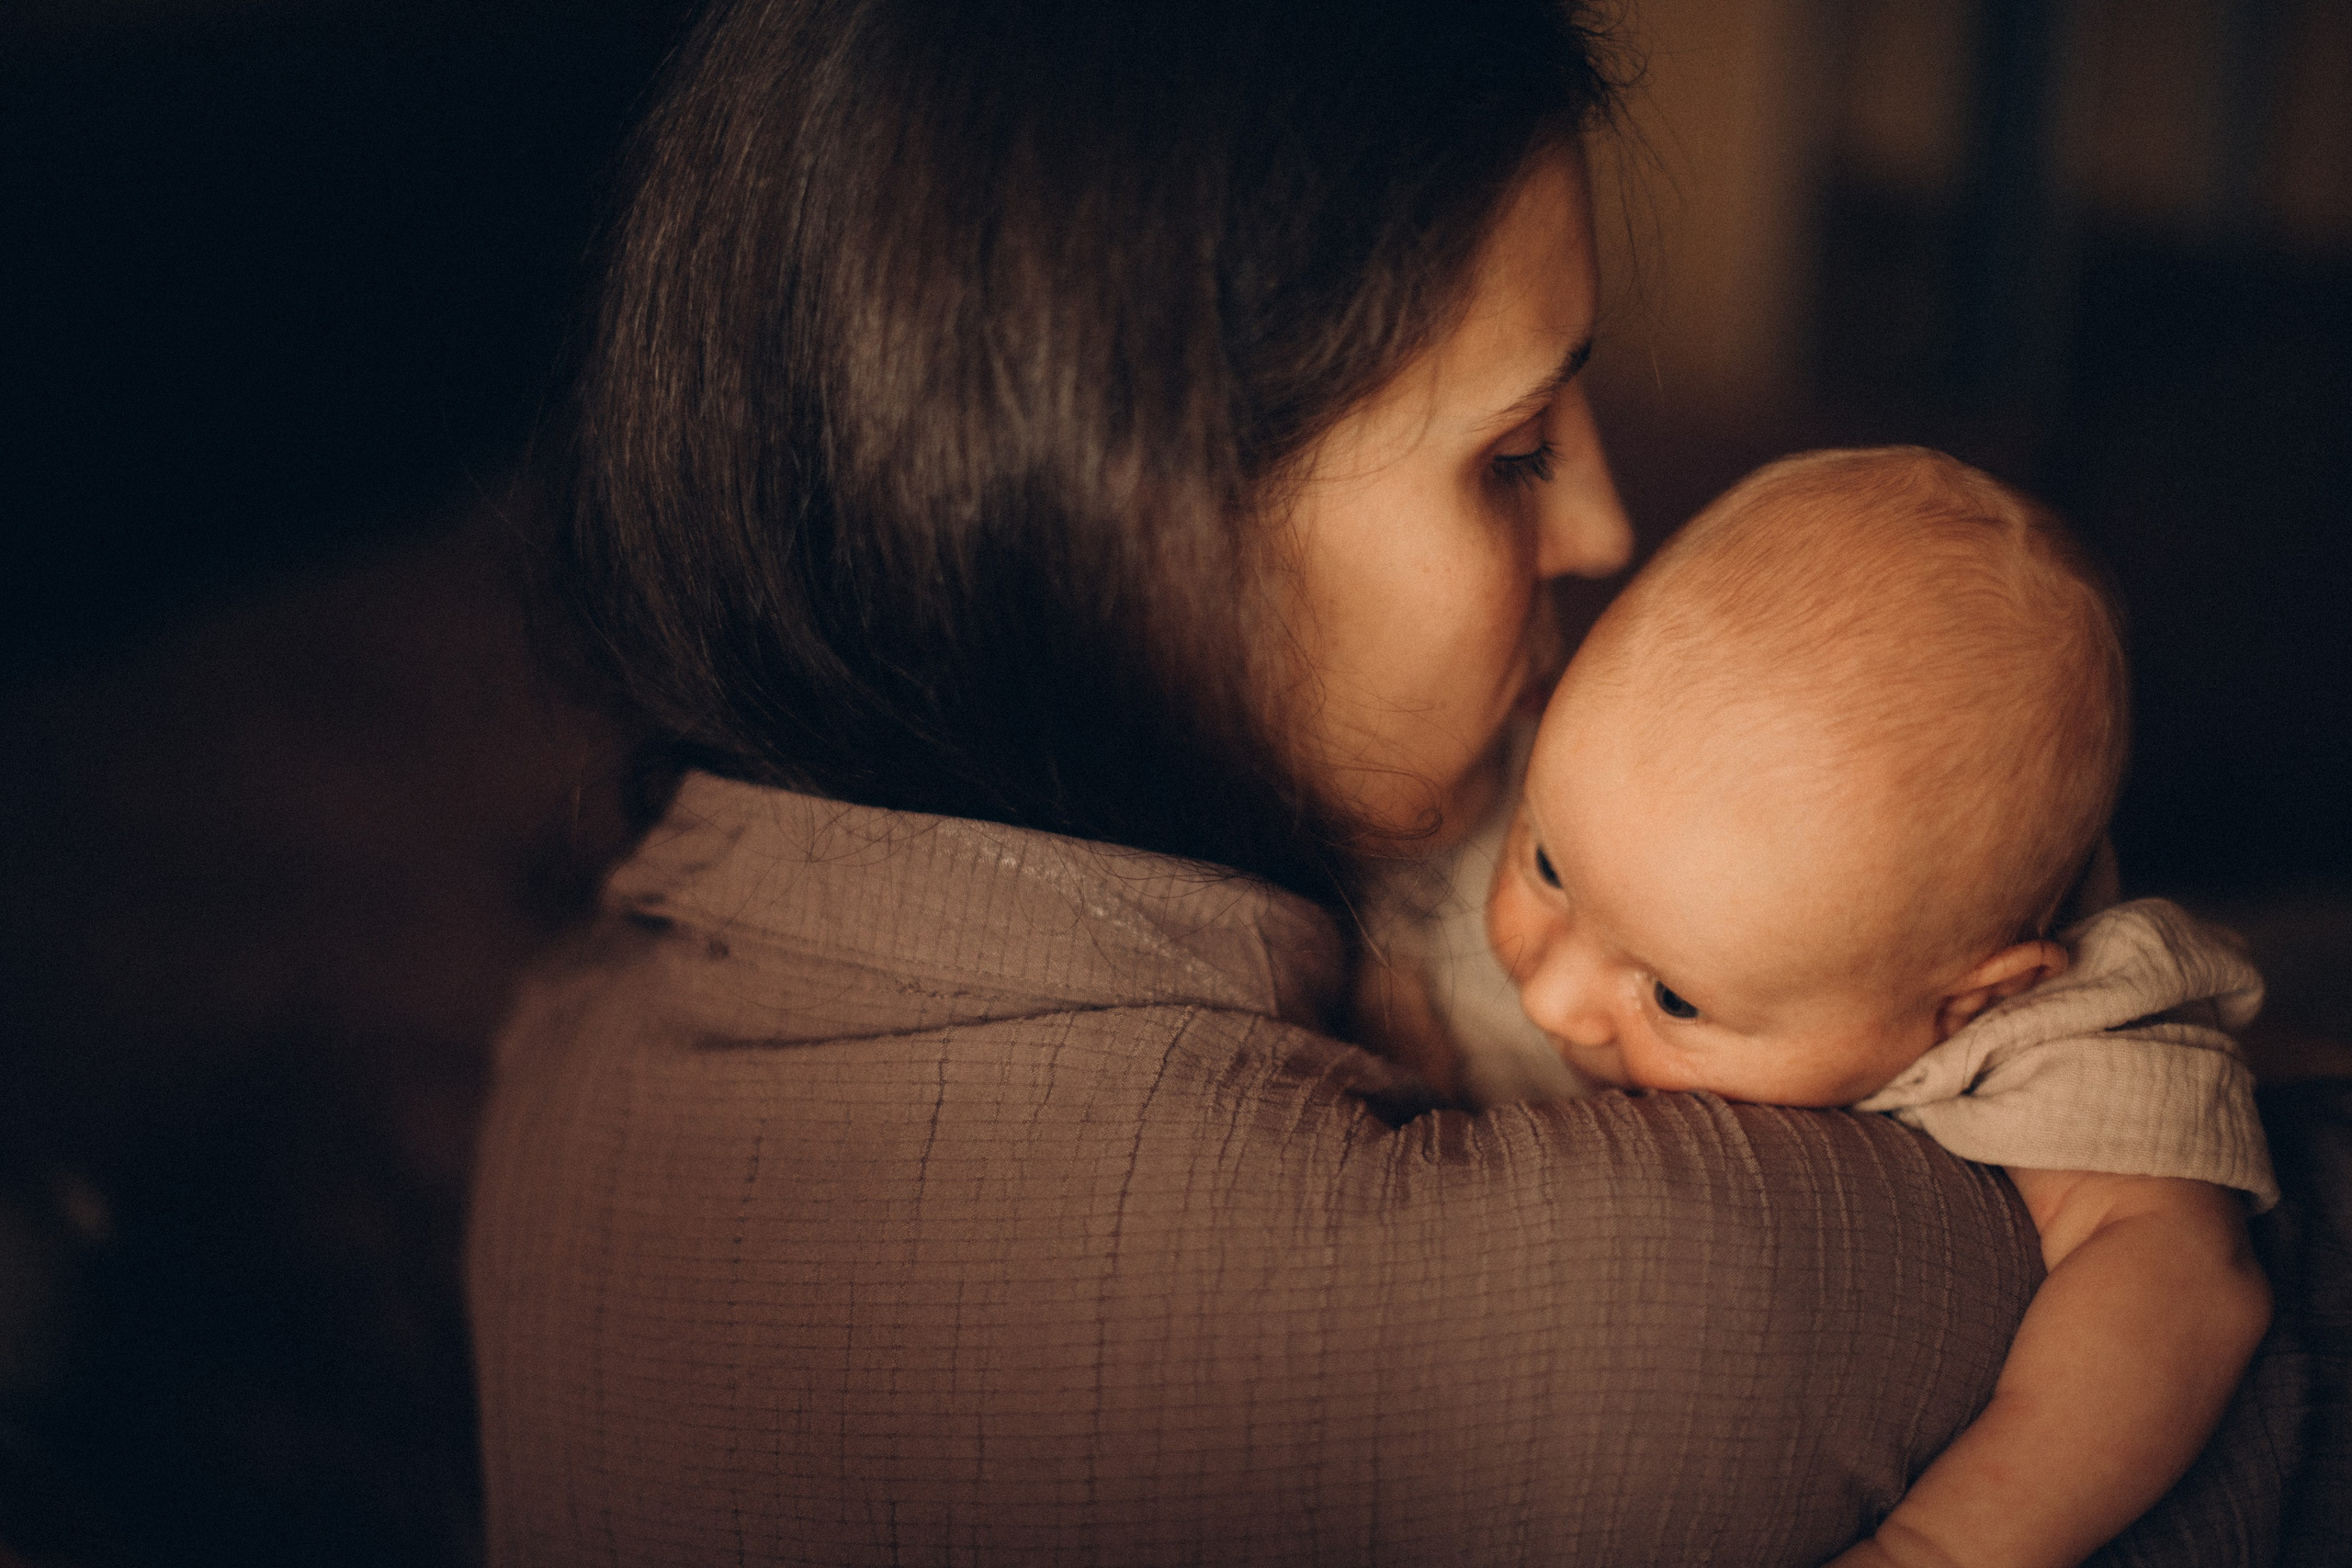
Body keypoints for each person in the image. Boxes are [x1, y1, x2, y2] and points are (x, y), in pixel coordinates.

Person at [468, 2, 2282, 1561]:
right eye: (1510, 449)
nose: (1600, 526)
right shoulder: (1631, 1296)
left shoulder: (558, 1064)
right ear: (1133, 523)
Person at [1440, 447, 2275, 1566]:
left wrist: (1939, 1546)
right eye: (1546, 866)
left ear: (1964, 1003)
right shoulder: (1593, 784)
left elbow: (2181, 1288)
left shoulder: (2058, 1027)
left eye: (1676, 997)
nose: (1551, 992)